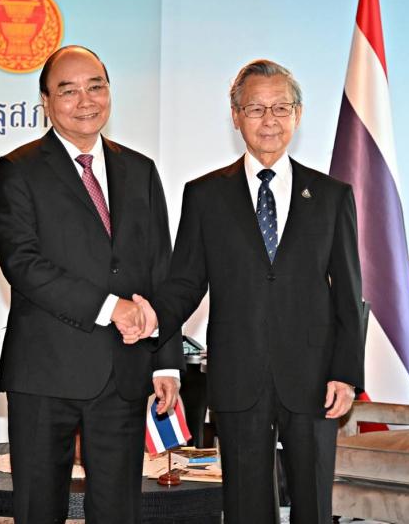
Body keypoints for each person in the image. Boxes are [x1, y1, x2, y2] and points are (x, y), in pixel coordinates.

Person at [149, 59, 365, 524]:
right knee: (245, 507)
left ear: (298, 114)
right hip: (237, 374)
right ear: (236, 116)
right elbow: (183, 285)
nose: (269, 120)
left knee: (313, 504)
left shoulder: (331, 196)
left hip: (314, 376)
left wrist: (346, 374)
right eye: (255, 109)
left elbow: (349, 293)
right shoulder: (204, 195)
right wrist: (154, 333)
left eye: (280, 108)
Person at [0, 45, 183, 524]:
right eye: (68, 90)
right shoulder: (17, 170)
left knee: (118, 510)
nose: (85, 100)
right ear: (46, 102)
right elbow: (23, 264)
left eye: (96, 86)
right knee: (38, 509)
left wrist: (166, 362)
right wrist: (110, 307)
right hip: (45, 371)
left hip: (124, 371)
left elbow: (161, 269)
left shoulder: (141, 170)